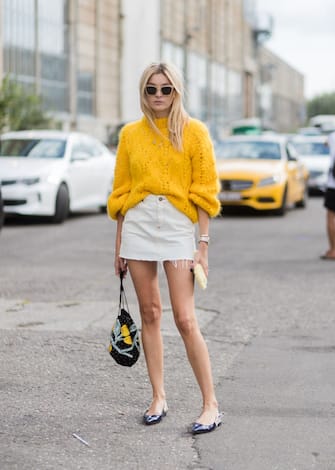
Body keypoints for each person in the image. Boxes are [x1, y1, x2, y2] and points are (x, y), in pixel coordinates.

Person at [107, 62, 222, 434]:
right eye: (151, 90)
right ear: (143, 93)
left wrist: (202, 244)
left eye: (166, 89)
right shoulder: (130, 135)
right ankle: (158, 396)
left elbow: (204, 192)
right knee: (150, 313)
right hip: (138, 226)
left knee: (185, 319)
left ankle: (211, 405)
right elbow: (121, 193)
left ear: (177, 91)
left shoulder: (195, 133)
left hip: (176, 228)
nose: (158, 96)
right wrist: (119, 245)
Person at [321, 130, 335, 260]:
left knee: (331, 217)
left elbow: (325, 143)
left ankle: (333, 250)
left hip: (333, 186)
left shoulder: (332, 136)